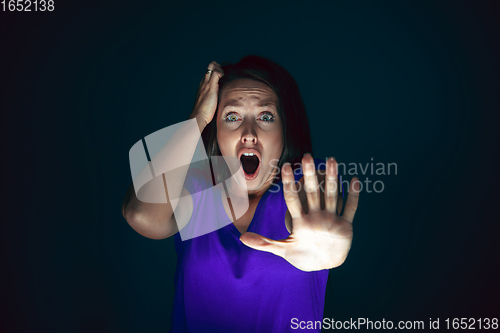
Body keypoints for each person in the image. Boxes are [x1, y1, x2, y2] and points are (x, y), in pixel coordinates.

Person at [122, 55, 360, 332]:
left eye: (266, 116)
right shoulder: (194, 188)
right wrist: (197, 118)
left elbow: (315, 205)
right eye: (232, 117)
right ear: (215, 130)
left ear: (285, 129)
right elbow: (139, 214)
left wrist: (321, 240)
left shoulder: (306, 180)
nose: (249, 133)